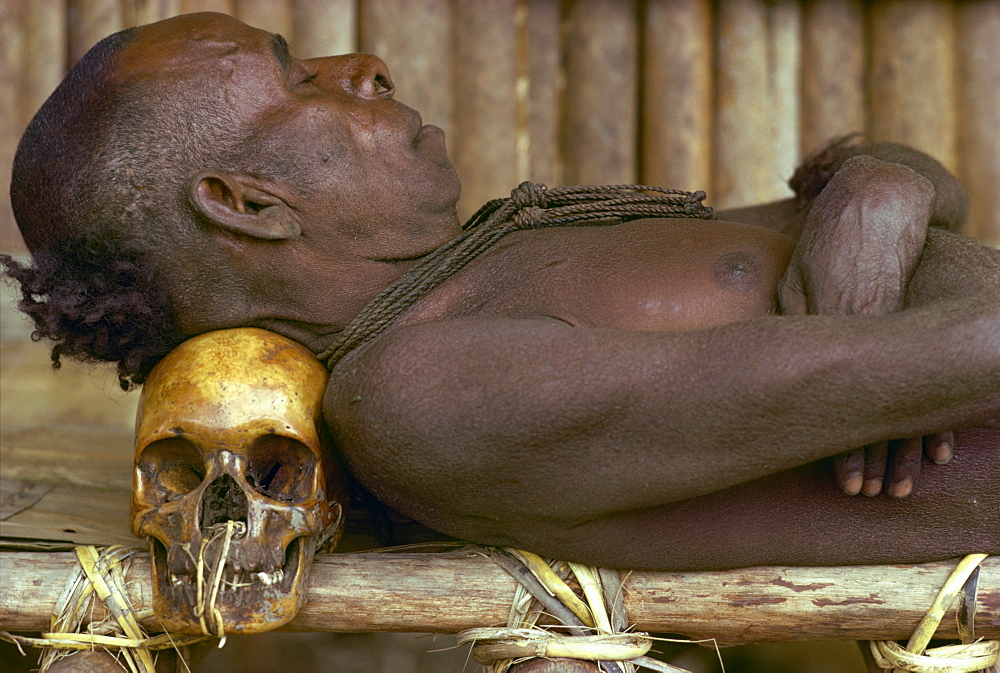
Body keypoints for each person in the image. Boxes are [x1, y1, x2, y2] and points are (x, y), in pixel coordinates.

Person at [3, 12, 997, 572]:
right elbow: (942, 353)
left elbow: (898, 207)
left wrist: (878, 185)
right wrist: (879, 261)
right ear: (247, 204)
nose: (364, 66)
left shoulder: (486, 266)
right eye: (302, 77)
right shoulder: (420, 395)